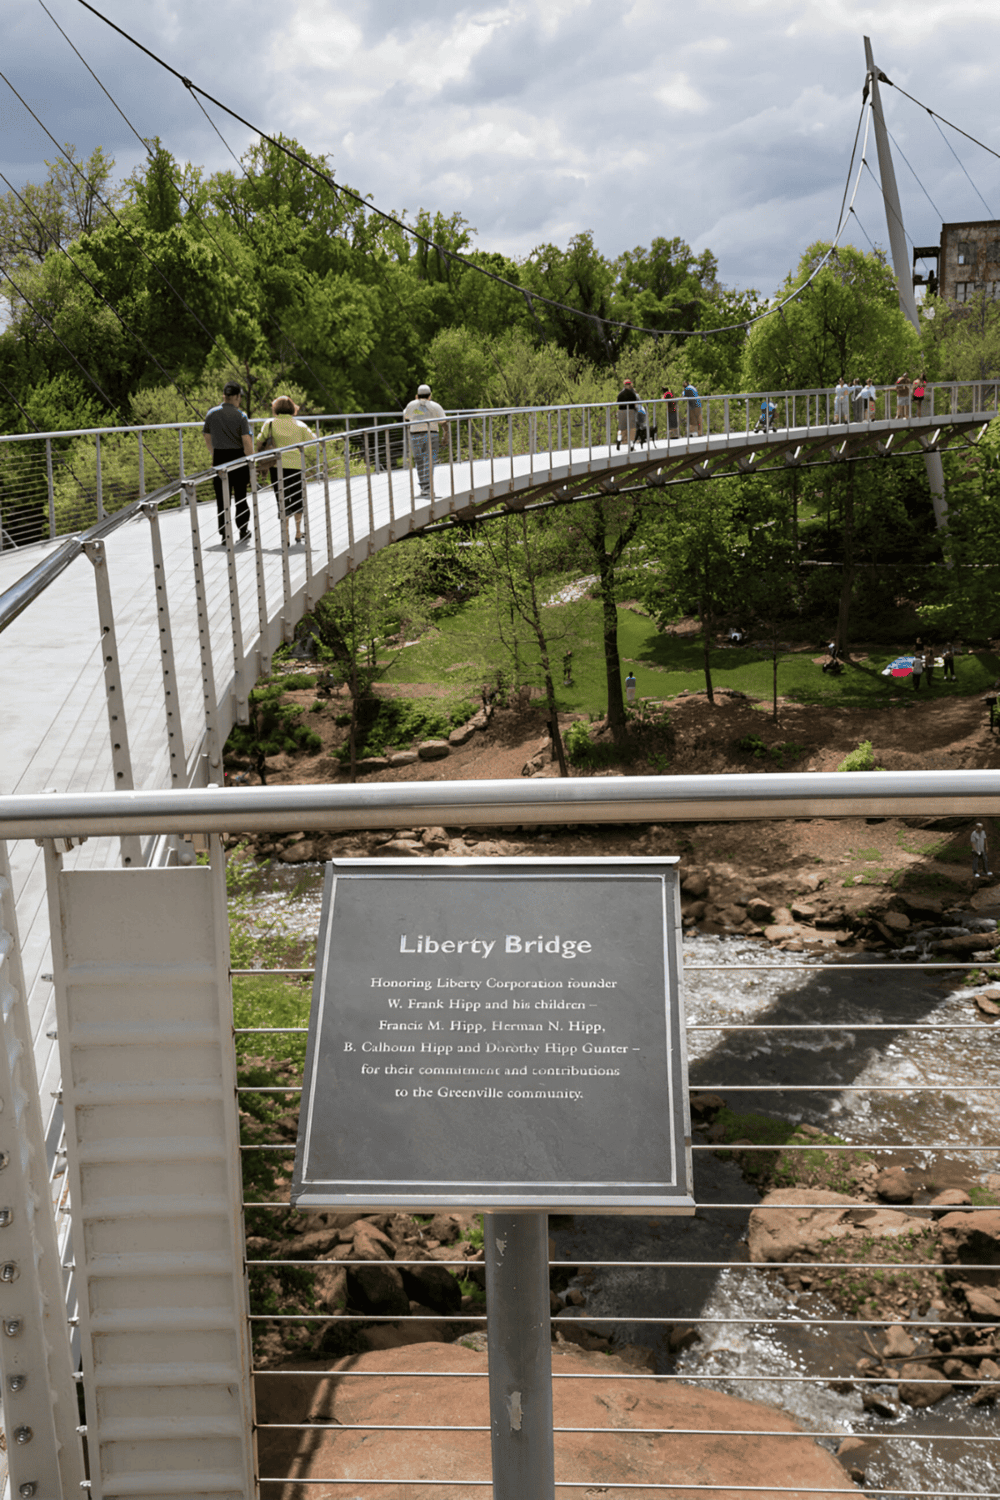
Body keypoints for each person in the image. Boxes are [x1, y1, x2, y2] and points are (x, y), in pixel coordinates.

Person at [256, 396, 316, 546]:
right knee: (297, 497)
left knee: (281, 499)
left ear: (275, 408)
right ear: (292, 408)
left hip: (277, 467)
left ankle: (286, 535)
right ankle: (297, 531)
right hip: (296, 465)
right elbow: (313, 440)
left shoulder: (269, 424)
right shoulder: (300, 425)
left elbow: (259, 441)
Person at [203, 381, 253, 542]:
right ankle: (243, 530)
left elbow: (207, 436)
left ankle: (225, 534)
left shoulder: (211, 414)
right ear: (237, 397)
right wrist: (251, 460)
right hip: (238, 459)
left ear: (224, 396)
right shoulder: (241, 416)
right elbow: (246, 441)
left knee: (222, 499)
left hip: (219, 459)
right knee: (240, 496)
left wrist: (214, 452)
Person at [403, 383, 448, 494]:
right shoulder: (436, 406)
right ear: (430, 395)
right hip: (431, 435)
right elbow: (443, 421)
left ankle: (424, 488)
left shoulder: (411, 404)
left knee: (419, 461)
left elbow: (406, 416)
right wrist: (445, 435)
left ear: (417, 395)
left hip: (415, 435)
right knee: (429, 461)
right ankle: (427, 487)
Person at [616, 378, 640, 450]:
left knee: (621, 428)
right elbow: (636, 404)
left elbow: (618, 403)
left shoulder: (620, 394)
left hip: (621, 411)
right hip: (630, 411)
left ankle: (619, 440)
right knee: (632, 429)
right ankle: (631, 445)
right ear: (630, 385)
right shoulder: (632, 394)